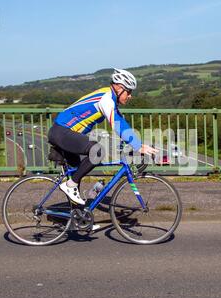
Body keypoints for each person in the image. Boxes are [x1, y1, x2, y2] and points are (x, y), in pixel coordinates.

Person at [48, 68, 158, 205]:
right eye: (129, 92)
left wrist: (138, 144)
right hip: (62, 131)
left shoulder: (110, 98)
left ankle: (78, 220)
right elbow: (116, 124)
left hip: (64, 132)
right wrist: (137, 145)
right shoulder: (106, 99)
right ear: (119, 88)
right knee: (97, 151)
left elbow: (121, 122)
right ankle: (70, 186)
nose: (130, 96)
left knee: (77, 173)